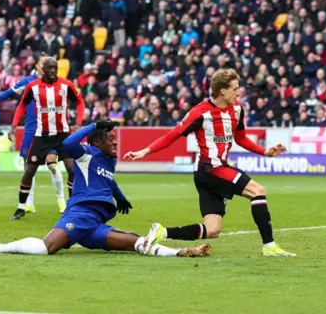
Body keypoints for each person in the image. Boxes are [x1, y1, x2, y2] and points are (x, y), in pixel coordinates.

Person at [0, 120, 211, 258]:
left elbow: (108, 180)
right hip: (80, 213)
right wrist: (93, 125)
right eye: (110, 139)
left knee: (138, 243)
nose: (115, 141)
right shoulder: (86, 153)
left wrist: (120, 197)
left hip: (95, 223)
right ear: (96, 141)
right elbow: (67, 143)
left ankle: (181, 252)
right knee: (45, 248)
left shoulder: (108, 160)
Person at [124, 69, 295, 257]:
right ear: (222, 90)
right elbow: (173, 135)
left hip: (210, 172)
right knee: (258, 191)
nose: (238, 93)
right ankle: (270, 246)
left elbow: (241, 139)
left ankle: (161, 232)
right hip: (211, 169)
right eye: (235, 89)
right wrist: (145, 151)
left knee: (212, 230)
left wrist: (266, 152)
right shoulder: (200, 113)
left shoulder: (237, 110)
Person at [8, 57, 85, 220]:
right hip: (42, 136)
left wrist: (78, 122)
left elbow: (80, 102)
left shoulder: (66, 85)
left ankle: (71, 206)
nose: (53, 71)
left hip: (63, 135)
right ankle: (21, 207)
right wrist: (14, 126)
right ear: (42, 69)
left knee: (72, 169)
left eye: (55, 68)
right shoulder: (33, 86)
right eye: (49, 68)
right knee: (29, 170)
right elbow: (22, 105)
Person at [0, 66, 66, 214]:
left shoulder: (56, 83)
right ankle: (29, 204)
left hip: (49, 131)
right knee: (29, 168)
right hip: (31, 130)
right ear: (39, 67)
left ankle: (61, 200)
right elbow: (11, 91)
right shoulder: (28, 82)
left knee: (52, 163)